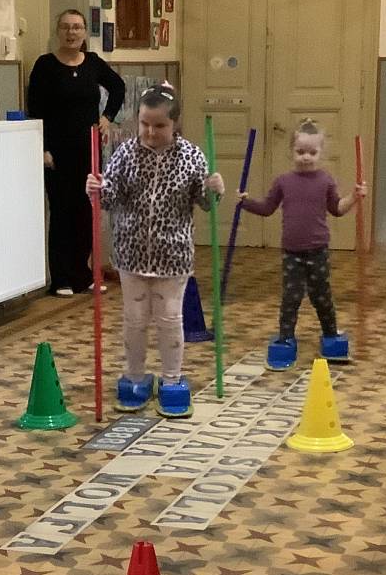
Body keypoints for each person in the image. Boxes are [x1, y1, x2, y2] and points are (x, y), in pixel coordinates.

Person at [87, 85, 225, 419]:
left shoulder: (191, 156)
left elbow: (205, 203)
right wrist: (96, 189)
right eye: (145, 124)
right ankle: (135, 376)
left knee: (169, 319)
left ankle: (172, 379)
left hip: (173, 255)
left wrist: (215, 190)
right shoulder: (125, 153)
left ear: (175, 124)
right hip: (131, 254)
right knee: (134, 320)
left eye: (159, 125)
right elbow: (110, 198)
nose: (150, 132)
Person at [235, 119, 363, 369]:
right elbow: (267, 208)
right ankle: (285, 338)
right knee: (291, 298)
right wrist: (245, 203)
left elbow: (337, 209)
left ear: (321, 152)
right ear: (292, 151)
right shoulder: (283, 181)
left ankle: (330, 333)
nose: (306, 157)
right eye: (300, 151)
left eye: (312, 152)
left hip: (318, 250)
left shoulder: (326, 180)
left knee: (322, 296)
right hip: (292, 253)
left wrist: (354, 197)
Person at [26, 10, 127, 295]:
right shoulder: (45, 65)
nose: (71, 32)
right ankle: (61, 279)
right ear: (58, 31)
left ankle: (83, 275)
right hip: (56, 153)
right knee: (61, 213)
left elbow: (118, 87)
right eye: (66, 27)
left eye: (77, 27)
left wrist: (107, 117)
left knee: (85, 212)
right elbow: (35, 108)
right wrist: (43, 148)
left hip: (88, 149)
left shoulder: (93, 62)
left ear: (84, 32)